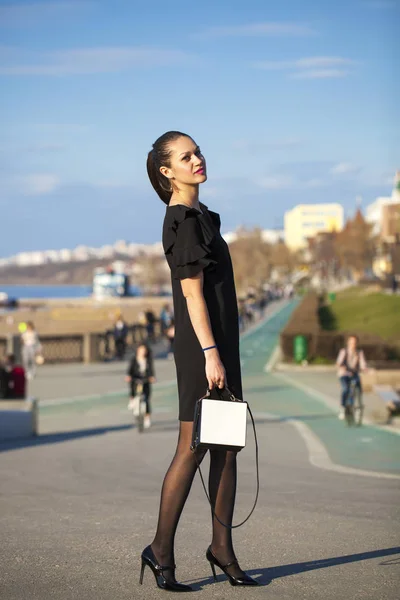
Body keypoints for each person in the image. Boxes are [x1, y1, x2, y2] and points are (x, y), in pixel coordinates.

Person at [140, 131, 258, 592]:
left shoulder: (202, 215)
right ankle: (161, 551)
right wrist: (211, 354)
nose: (198, 159)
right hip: (202, 350)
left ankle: (221, 549)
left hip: (220, 346)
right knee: (192, 448)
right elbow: (191, 294)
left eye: (198, 152)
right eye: (186, 157)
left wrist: (222, 350)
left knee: (227, 448)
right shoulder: (183, 221)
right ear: (167, 172)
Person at [336, 335, 367, 420]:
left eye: (354, 342)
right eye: (351, 342)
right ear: (348, 343)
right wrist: (342, 367)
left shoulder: (359, 352)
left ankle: (354, 406)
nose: (353, 344)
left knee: (357, 388)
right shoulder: (344, 351)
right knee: (346, 389)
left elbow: (362, 363)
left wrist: (364, 368)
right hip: (344, 374)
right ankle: (342, 408)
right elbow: (338, 362)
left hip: (354, 374)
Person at [125, 343, 155, 429]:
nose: (142, 352)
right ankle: (132, 399)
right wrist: (128, 376)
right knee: (133, 388)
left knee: (146, 399)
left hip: (145, 380)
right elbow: (130, 370)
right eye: (141, 350)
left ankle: (147, 417)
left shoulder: (148, 360)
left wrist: (152, 377)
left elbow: (151, 371)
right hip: (136, 379)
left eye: (144, 351)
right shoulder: (134, 360)